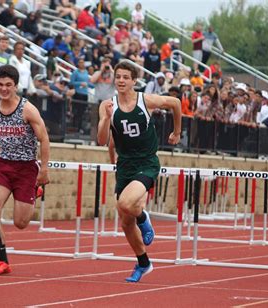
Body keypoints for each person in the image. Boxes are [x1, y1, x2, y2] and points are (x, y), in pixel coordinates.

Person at [97, 61, 181, 282]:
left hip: (146, 162)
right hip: (125, 164)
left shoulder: (146, 100)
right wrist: (106, 118)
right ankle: (144, 263)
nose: (121, 81)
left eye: (126, 77)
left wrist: (176, 131)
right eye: (118, 77)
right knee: (125, 222)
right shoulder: (108, 105)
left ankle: (144, 218)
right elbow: (102, 140)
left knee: (125, 204)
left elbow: (175, 103)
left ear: (134, 81)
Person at [0, 65, 50, 275]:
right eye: (0, 85)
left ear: (16, 86)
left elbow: (44, 139)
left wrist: (43, 170)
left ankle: (35, 192)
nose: (4, 89)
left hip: (27, 168)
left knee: (21, 223)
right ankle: (3, 261)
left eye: (8, 85)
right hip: (3, 164)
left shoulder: (28, 109)